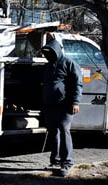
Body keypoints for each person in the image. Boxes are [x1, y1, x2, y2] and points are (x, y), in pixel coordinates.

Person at [41, 38, 83, 177]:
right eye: (46, 53)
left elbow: (77, 84)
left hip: (65, 105)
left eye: (51, 52)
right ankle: (55, 161)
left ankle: (67, 163)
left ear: (57, 51)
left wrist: (75, 102)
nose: (48, 55)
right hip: (50, 105)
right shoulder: (47, 66)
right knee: (53, 133)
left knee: (64, 131)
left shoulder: (69, 64)